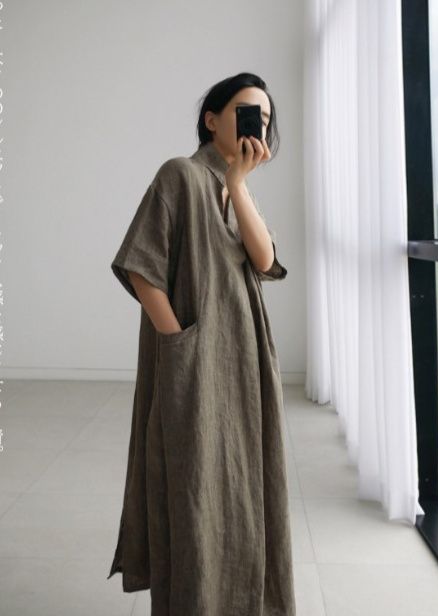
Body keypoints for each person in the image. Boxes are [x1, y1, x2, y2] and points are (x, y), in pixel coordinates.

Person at [106, 72, 296, 616]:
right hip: (195, 356)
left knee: (243, 477)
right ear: (212, 119)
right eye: (244, 112)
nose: (256, 124)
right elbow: (141, 267)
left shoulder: (236, 189)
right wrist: (178, 342)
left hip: (243, 357)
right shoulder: (181, 174)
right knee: (194, 483)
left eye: (263, 118)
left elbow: (265, 260)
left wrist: (238, 183)